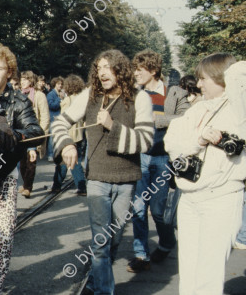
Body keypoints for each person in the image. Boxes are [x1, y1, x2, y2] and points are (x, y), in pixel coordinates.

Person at [52, 49, 154, 295]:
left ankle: (94, 282)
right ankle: (103, 291)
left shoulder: (140, 98)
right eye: (98, 68)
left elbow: (146, 140)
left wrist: (112, 126)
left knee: (115, 239)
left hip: (127, 180)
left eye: (107, 67)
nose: (102, 72)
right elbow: (59, 122)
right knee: (101, 241)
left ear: (121, 69)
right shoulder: (89, 95)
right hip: (97, 178)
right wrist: (66, 143)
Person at [164, 53, 246, 295]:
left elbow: (240, 71)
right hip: (190, 198)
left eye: (204, 79)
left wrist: (224, 69)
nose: (198, 85)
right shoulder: (198, 110)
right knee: (188, 272)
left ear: (222, 79)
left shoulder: (240, 110)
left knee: (208, 276)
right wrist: (199, 140)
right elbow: (172, 145)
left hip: (220, 198)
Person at [0, 46, 44, 294]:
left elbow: (36, 132)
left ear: (9, 72)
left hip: (4, 177)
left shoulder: (19, 101)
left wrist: (16, 134)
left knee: (4, 238)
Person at [127, 50, 190, 273]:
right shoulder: (133, 94)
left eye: (140, 70)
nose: (135, 74)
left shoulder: (174, 93)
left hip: (163, 158)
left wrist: (160, 119)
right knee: (138, 208)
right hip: (140, 157)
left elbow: (187, 118)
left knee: (158, 211)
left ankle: (166, 242)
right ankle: (141, 254)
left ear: (153, 70)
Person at [51, 74, 87, 195]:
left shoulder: (67, 100)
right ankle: (80, 186)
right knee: (76, 161)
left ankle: (58, 186)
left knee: (63, 163)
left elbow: (63, 120)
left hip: (68, 136)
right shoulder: (82, 99)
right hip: (79, 134)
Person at [18, 70, 49, 198]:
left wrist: (40, 135)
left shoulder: (39, 95)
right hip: (21, 133)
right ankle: (25, 183)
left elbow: (45, 116)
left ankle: (28, 187)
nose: (22, 82)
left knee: (31, 161)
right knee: (22, 162)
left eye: (25, 79)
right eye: (21, 80)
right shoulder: (19, 94)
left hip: (34, 133)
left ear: (31, 81)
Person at [46, 76, 65, 161]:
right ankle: (50, 154)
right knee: (52, 137)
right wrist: (59, 99)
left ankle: (57, 153)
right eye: (58, 84)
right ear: (54, 84)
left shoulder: (62, 93)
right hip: (53, 117)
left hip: (60, 118)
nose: (60, 86)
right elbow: (51, 106)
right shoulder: (51, 94)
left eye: (61, 84)